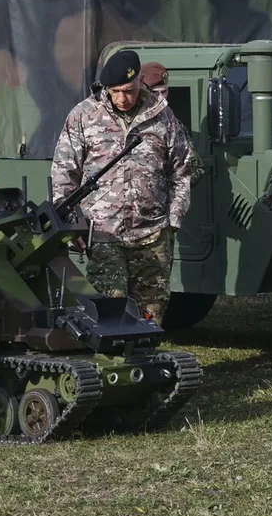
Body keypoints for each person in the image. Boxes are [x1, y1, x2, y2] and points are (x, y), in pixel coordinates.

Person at [51, 49, 194, 325]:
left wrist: (173, 220)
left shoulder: (162, 116)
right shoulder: (84, 116)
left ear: (140, 81)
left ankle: (146, 364)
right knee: (109, 310)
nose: (122, 99)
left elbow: (181, 168)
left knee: (151, 313)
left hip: (152, 233)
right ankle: (112, 367)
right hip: (104, 233)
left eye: (128, 90)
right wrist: (70, 225)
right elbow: (63, 174)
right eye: (115, 91)